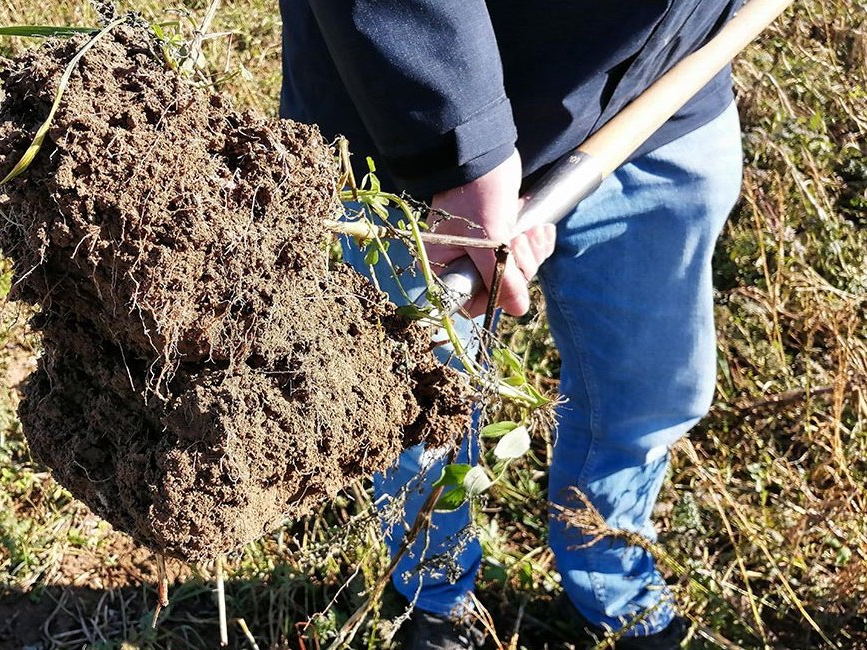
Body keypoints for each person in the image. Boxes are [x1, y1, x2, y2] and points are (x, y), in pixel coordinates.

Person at [279, 1, 745, 648]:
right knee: (413, 405)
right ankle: (433, 593)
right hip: (405, 121)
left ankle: (612, 580)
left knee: (650, 390)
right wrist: (459, 145)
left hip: (665, 92)